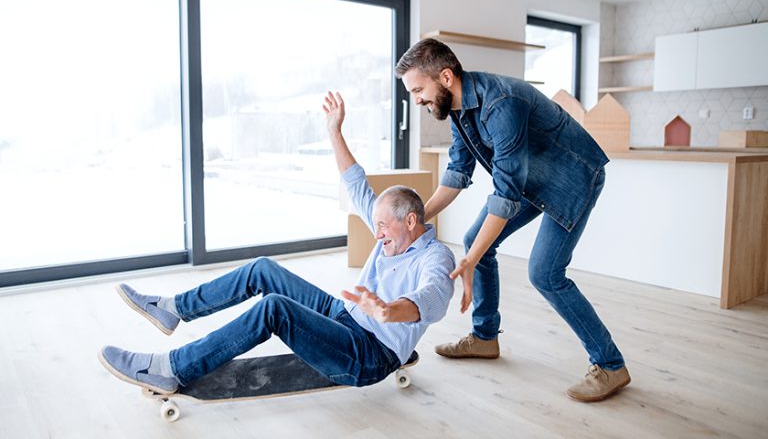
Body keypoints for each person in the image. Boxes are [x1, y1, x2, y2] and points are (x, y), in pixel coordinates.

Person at [98, 91, 455, 394]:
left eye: (382, 227)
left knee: (275, 308)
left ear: (410, 221)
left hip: (369, 351)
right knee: (262, 269)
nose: (376, 235)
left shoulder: (435, 258)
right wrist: (334, 130)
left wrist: (391, 311)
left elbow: (433, 299)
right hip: (344, 315)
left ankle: (172, 369)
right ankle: (175, 308)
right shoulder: (389, 225)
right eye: (375, 224)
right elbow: (355, 182)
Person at [395, 38, 630, 402]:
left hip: (573, 175)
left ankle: (611, 364)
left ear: (444, 77)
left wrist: (471, 261)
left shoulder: (501, 104)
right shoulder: (457, 107)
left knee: (545, 273)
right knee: (478, 241)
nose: (417, 100)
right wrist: (413, 221)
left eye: (418, 90)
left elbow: (504, 195)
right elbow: (458, 172)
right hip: (530, 179)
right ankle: (485, 338)